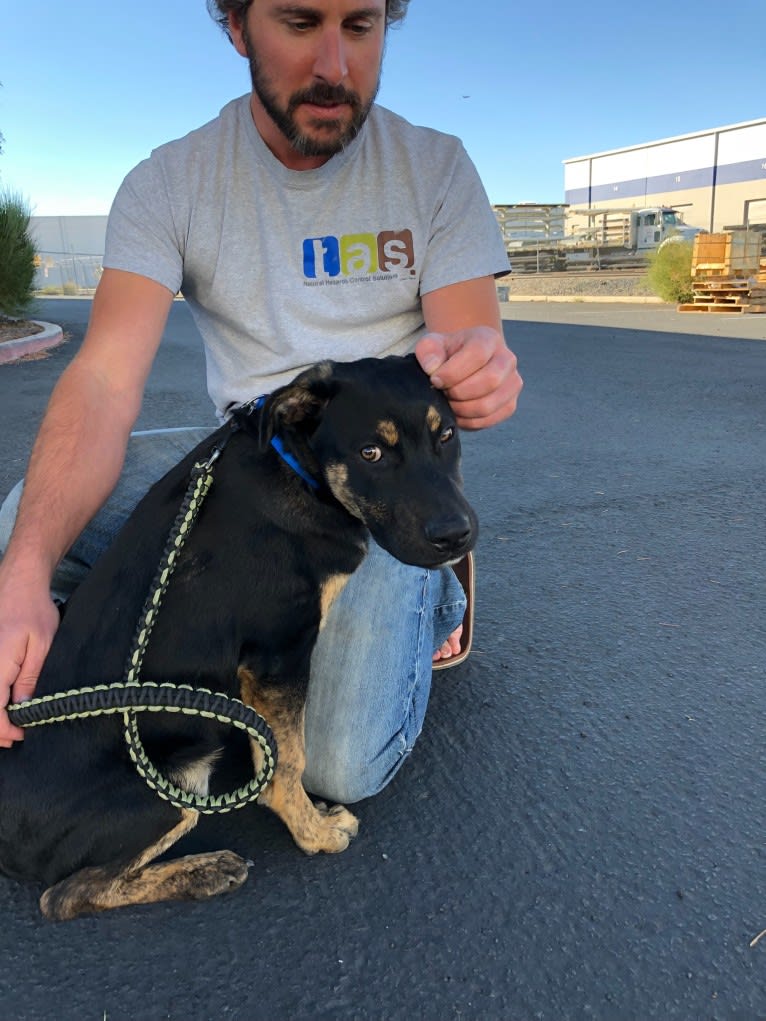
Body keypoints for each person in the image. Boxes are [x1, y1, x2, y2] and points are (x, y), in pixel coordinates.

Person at [0, 0, 522, 801]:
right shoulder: (170, 181)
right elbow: (104, 379)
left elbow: (468, 341)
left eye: (361, 26)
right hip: (251, 466)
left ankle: (439, 586)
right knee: (17, 536)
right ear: (238, 27)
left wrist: (482, 368)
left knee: (342, 766)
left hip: (377, 481)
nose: (335, 68)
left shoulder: (434, 166)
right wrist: (25, 579)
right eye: (300, 21)